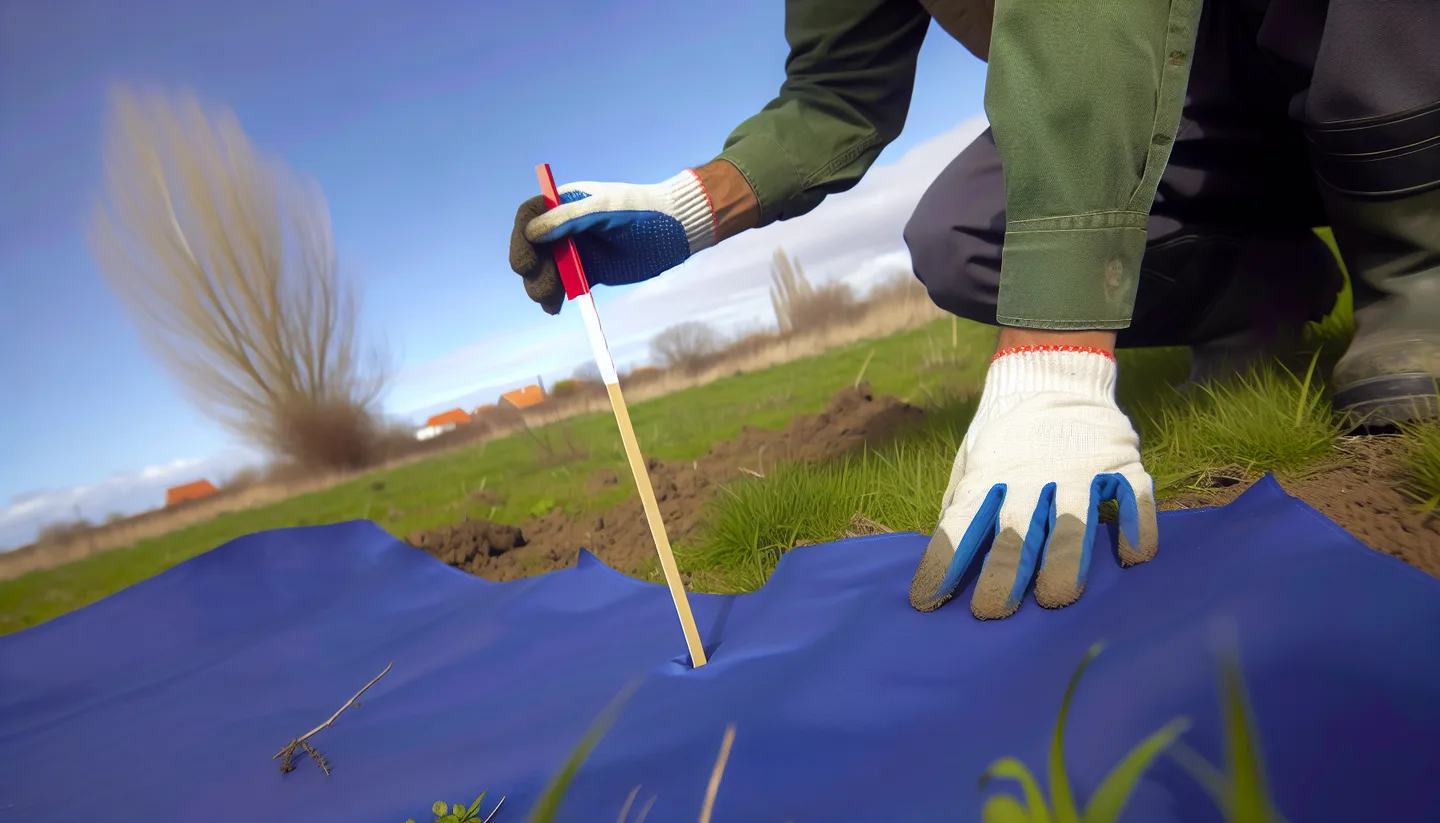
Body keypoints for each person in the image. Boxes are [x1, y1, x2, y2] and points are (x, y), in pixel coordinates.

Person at [509, 0, 1440, 620]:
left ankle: (1413, 260)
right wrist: (688, 207)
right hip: (1182, 92)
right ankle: (1264, 287)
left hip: (1348, 40)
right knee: (965, 234)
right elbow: (835, 96)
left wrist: (1053, 357)